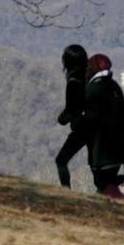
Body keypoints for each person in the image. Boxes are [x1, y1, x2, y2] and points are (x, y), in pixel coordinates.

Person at [79, 53, 124, 197]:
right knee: (107, 185)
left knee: (103, 186)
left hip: (102, 152)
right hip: (119, 150)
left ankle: (119, 205)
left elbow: (89, 121)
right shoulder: (115, 87)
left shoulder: (93, 89)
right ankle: (113, 204)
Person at [55, 44, 89, 189]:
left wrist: (60, 119)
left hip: (83, 129)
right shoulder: (89, 77)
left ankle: (66, 192)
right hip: (99, 125)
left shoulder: (73, 82)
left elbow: (70, 110)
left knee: (61, 160)